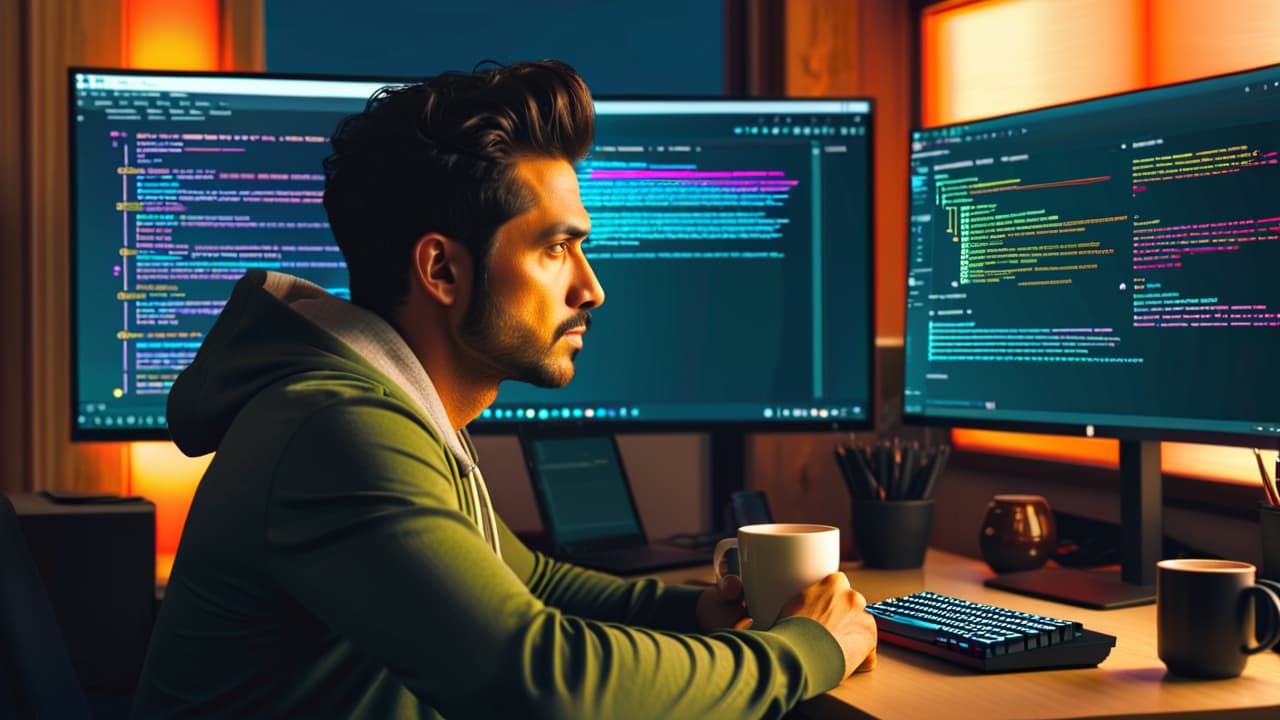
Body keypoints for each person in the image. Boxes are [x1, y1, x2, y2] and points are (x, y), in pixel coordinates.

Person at [132, 59, 877, 719]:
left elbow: (532, 583)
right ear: (442, 271)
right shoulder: (337, 428)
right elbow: (539, 683)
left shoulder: (389, 405)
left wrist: (705, 611)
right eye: (557, 248)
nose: (592, 289)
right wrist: (806, 651)